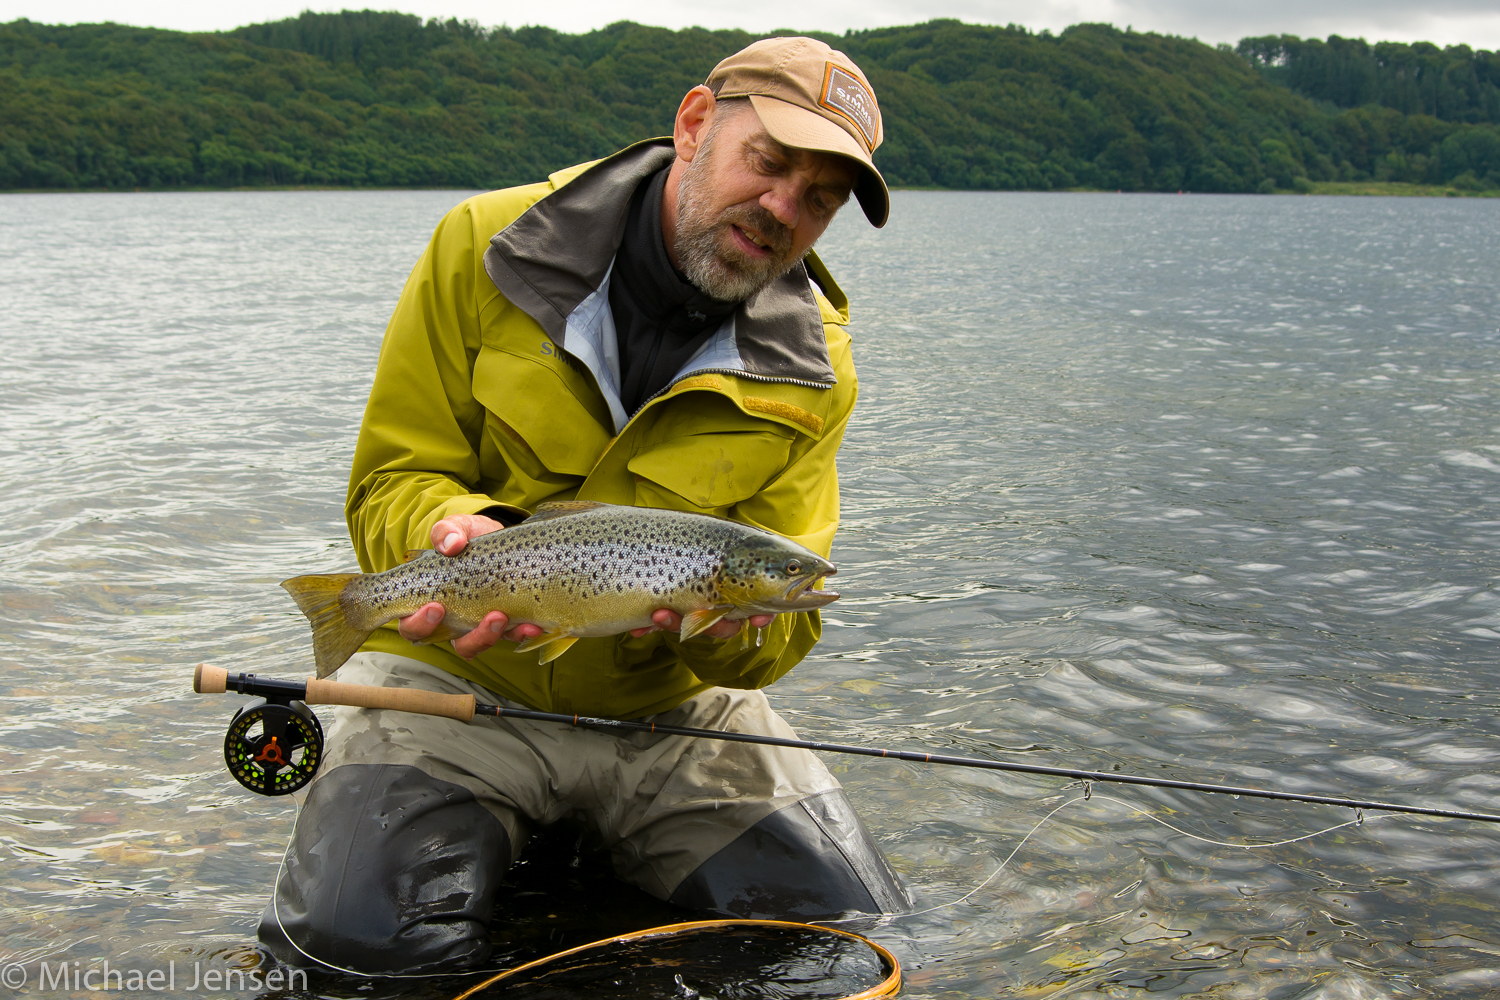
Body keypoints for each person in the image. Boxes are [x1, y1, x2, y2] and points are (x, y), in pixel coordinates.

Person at [259, 36, 907, 976]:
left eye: (820, 199)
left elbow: (783, 628)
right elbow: (390, 480)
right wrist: (449, 534)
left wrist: (726, 631)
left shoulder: (818, 366)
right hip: (459, 684)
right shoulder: (481, 244)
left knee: (841, 944)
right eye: (767, 164)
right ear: (693, 126)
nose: (781, 209)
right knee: (351, 950)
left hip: (669, 711)